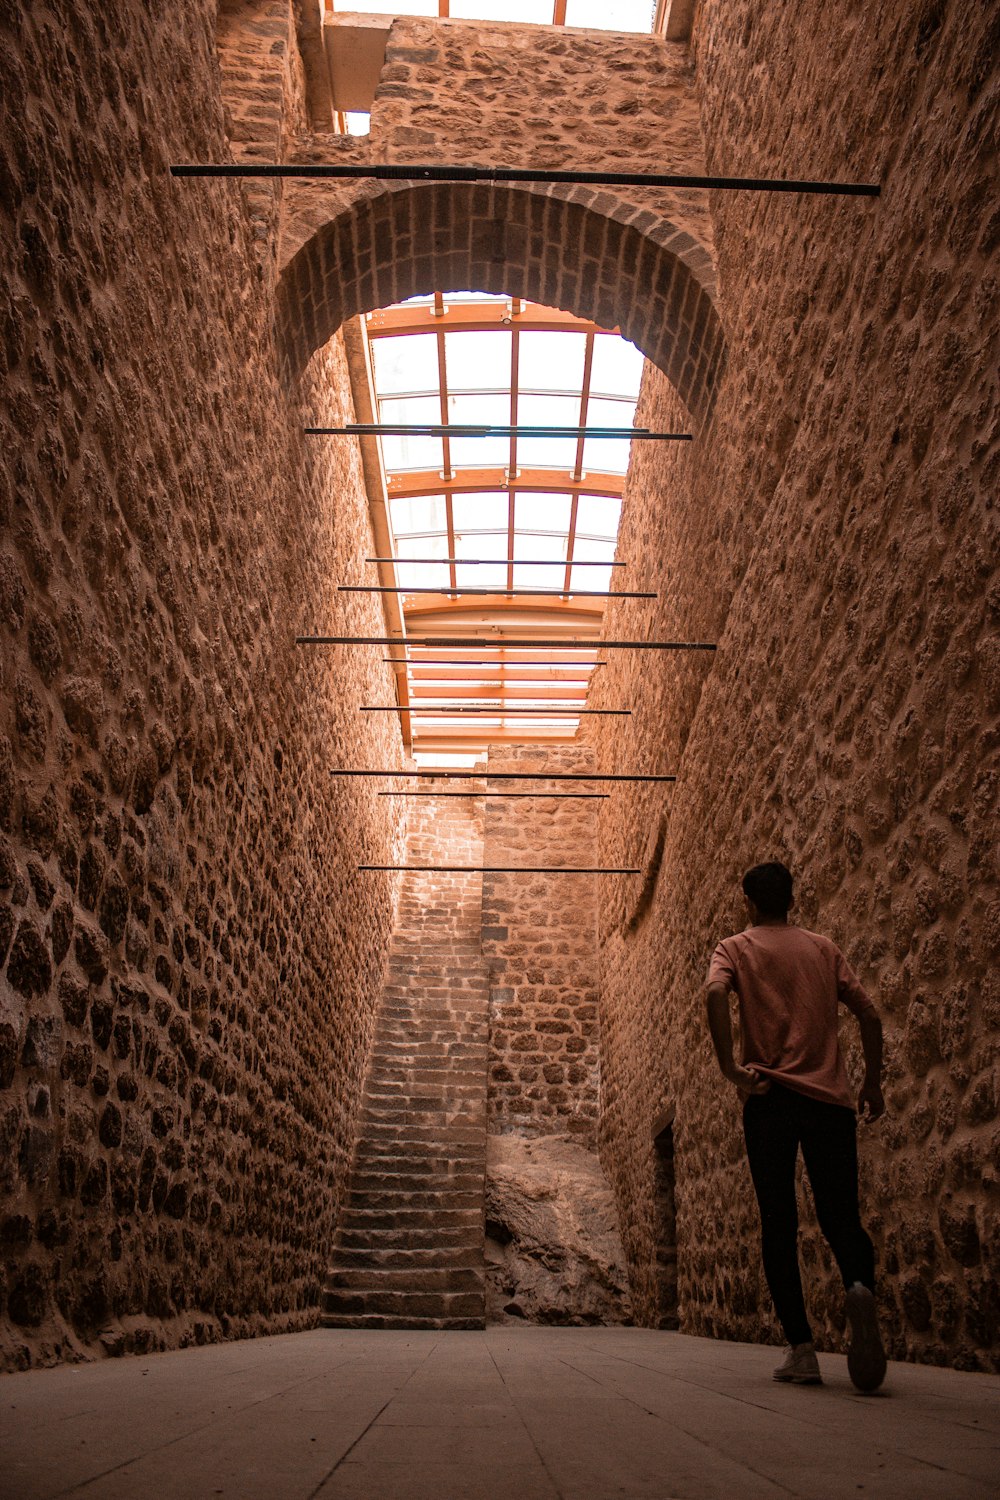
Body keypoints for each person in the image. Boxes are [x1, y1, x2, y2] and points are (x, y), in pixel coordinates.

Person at [705, 860, 887, 1392]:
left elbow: (715, 994)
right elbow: (870, 1015)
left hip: (770, 1098)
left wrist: (727, 1067)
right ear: (792, 898)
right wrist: (871, 1083)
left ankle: (802, 1350)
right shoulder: (823, 948)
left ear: (749, 903)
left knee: (778, 1222)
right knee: (841, 1216)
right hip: (830, 1101)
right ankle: (858, 1286)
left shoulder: (734, 948)